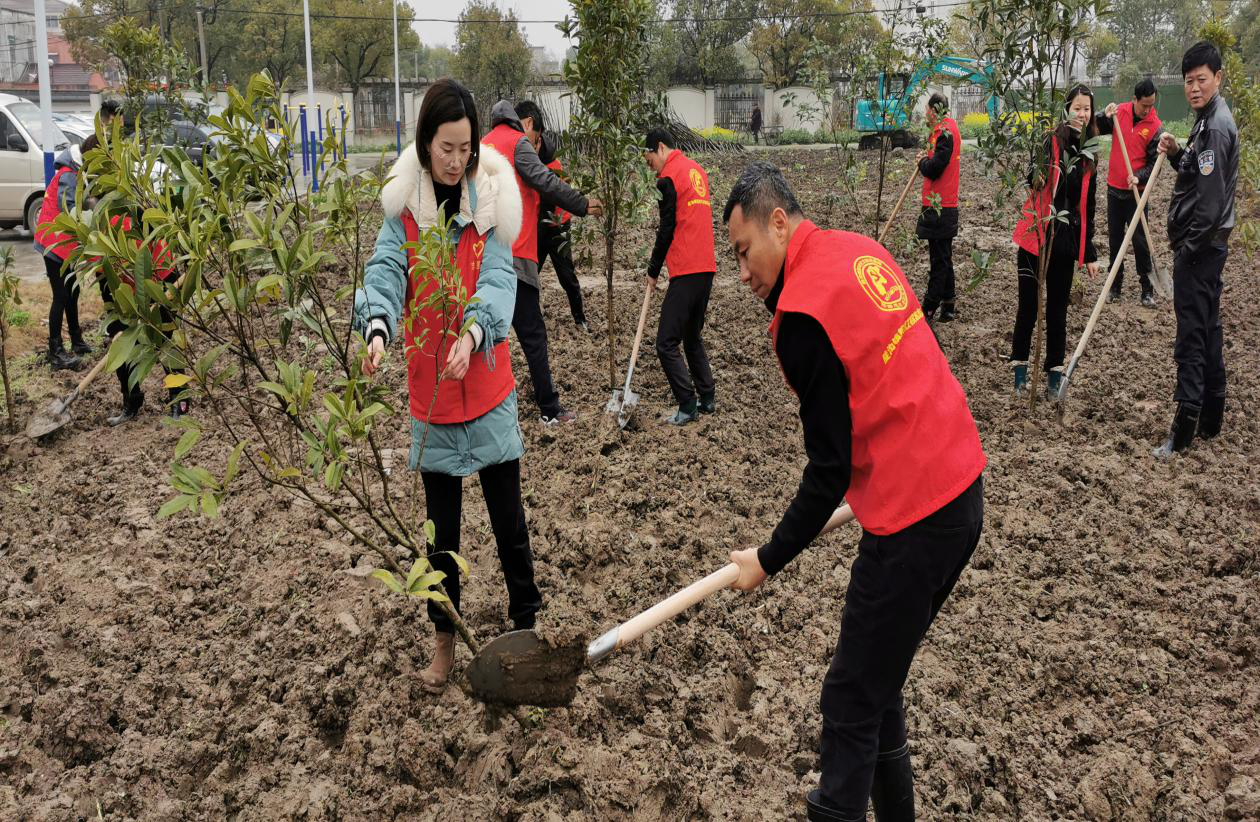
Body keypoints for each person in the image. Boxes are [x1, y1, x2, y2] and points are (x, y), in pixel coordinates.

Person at [722, 162, 986, 822]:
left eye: (744, 252)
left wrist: (767, 558)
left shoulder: (803, 317)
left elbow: (827, 472)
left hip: (913, 522)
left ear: (778, 223)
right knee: (876, 683)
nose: (742, 273)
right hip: (961, 487)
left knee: (848, 700)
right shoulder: (858, 250)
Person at [355, 78, 542, 692]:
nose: (457, 160)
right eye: (446, 148)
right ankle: (443, 645)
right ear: (425, 144)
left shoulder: (490, 203)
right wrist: (378, 327)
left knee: (509, 522)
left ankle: (527, 627)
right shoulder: (405, 210)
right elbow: (386, 273)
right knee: (441, 536)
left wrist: (474, 331)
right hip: (432, 395)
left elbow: (498, 280)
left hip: (486, 387)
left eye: (466, 148)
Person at [482, 99, 602, 426]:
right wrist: (581, 203)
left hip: (482, 258)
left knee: (487, 333)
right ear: (524, 124)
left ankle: (487, 406)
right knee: (533, 336)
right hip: (515, 256)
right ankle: (549, 409)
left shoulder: (483, 146)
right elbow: (545, 181)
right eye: (533, 132)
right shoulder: (517, 142)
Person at [1153, 41, 1238, 458]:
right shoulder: (1207, 121)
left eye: (1201, 80)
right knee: (1208, 327)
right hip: (1207, 247)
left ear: (1217, 78)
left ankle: (1183, 429)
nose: (1194, 88)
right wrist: (1175, 153)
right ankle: (1211, 416)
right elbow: (1195, 173)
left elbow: (1208, 204)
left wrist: (1187, 250)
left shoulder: (1216, 127)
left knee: (1191, 334)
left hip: (1200, 249)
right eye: (1188, 81)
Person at [1008, 83, 1100, 398]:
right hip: (1036, 235)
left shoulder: (1089, 153)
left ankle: (1053, 376)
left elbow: (1088, 206)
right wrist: (1038, 171)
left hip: (1064, 242)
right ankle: (1020, 373)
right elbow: (1031, 178)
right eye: (1077, 108)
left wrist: (1088, 252)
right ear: (1066, 109)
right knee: (1028, 307)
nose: (1082, 114)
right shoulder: (1051, 141)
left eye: (1087, 109)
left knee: (1058, 311)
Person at [644, 128, 717, 424]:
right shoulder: (697, 171)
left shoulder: (668, 178)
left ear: (660, 148)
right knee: (691, 336)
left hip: (686, 270)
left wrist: (653, 270)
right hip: (706, 268)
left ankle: (687, 404)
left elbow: (667, 228)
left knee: (665, 342)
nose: (651, 167)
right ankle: (707, 397)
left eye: (649, 159)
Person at [1095, 78, 1164, 306]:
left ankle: (1147, 290)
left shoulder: (1155, 126)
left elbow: (1155, 164)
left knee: (1141, 243)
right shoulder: (1119, 113)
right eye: (1144, 105)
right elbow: (1095, 127)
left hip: (1138, 195)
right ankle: (1115, 286)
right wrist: (1103, 114)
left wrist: (1139, 176)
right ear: (1135, 99)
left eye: (1151, 105)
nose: (1148, 110)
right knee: (1115, 241)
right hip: (1114, 191)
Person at [33, 143, 89, 371]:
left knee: (73, 291)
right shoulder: (69, 175)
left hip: (64, 244)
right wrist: (90, 210)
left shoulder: (74, 172)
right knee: (61, 296)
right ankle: (55, 353)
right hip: (53, 245)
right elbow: (68, 207)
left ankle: (76, 340)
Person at [915, 92, 961, 323]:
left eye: (926, 109)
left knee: (939, 260)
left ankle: (929, 308)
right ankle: (948, 305)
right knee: (944, 256)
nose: (925, 113)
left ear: (934, 110)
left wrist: (922, 162)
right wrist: (926, 158)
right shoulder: (942, 131)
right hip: (942, 203)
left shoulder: (945, 132)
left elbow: (935, 168)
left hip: (940, 205)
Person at [536, 132, 587, 331]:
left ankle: (580, 319)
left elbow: (549, 202)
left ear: (539, 143)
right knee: (529, 274)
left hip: (557, 227)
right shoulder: (534, 161)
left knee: (567, 276)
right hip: (541, 225)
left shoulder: (552, 166)